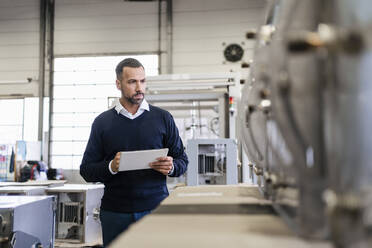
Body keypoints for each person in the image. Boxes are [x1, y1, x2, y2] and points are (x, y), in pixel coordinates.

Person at [80, 58, 188, 247]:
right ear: (118, 84)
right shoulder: (102, 123)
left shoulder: (163, 118)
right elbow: (87, 170)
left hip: (156, 209)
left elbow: (182, 160)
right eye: (132, 82)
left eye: (143, 81)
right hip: (115, 212)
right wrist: (111, 166)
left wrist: (171, 166)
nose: (139, 87)